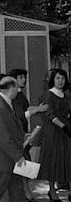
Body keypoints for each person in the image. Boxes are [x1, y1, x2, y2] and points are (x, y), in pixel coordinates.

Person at [9, 69, 48, 202]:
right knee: (23, 164)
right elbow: (20, 115)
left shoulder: (20, 96)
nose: (23, 80)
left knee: (25, 164)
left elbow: (24, 111)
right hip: (18, 135)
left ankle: (26, 192)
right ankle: (26, 193)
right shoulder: (14, 96)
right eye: (20, 77)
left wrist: (36, 108)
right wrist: (37, 110)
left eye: (24, 77)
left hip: (23, 133)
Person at [38, 68, 71, 201]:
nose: (60, 81)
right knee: (53, 160)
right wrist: (63, 126)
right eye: (57, 78)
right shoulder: (48, 95)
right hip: (53, 131)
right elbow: (49, 114)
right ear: (53, 79)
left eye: (63, 78)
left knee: (68, 160)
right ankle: (52, 191)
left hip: (66, 129)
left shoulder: (66, 95)